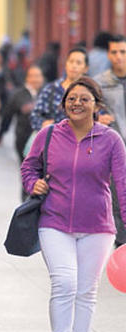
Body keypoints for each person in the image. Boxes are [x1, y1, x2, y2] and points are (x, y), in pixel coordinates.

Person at [22, 76, 126, 332]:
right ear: (63, 102)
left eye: (84, 98)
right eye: (71, 98)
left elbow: (122, 184)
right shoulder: (50, 135)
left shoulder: (111, 140)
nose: (77, 103)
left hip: (97, 226)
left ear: (97, 104)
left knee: (86, 289)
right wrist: (34, 183)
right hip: (54, 221)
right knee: (65, 282)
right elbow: (29, 166)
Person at [95, 34, 126, 246]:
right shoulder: (100, 83)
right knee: (117, 201)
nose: (118, 57)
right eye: (114, 52)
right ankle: (121, 247)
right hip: (114, 150)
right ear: (108, 54)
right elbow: (89, 112)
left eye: (123, 52)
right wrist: (98, 117)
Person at [0, 65, 45, 200]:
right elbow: (8, 115)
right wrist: (2, 132)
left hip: (43, 140)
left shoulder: (47, 93)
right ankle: (26, 200)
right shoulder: (19, 95)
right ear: (27, 78)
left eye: (38, 76)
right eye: (33, 76)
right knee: (28, 170)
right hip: (24, 139)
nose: (36, 79)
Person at [30, 47, 89, 133]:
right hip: (54, 140)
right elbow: (35, 115)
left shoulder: (91, 91)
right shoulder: (51, 90)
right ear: (66, 64)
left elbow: (99, 115)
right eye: (71, 61)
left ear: (86, 68)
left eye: (78, 63)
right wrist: (43, 124)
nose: (74, 66)